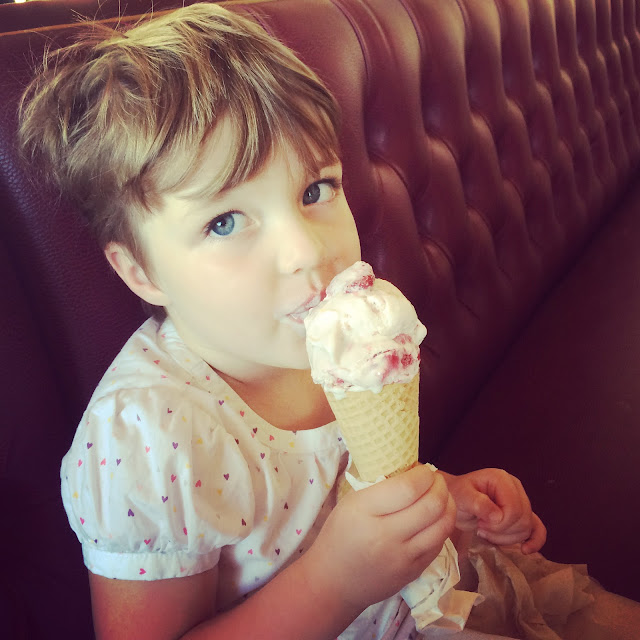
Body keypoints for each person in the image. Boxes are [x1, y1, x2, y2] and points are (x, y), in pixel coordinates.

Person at [17, 4, 638, 639]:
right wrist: (334, 581)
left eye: (315, 190)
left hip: (439, 596)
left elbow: (360, 479)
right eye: (224, 222)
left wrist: (445, 501)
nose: (307, 252)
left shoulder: (328, 334)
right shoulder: (146, 441)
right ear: (140, 271)